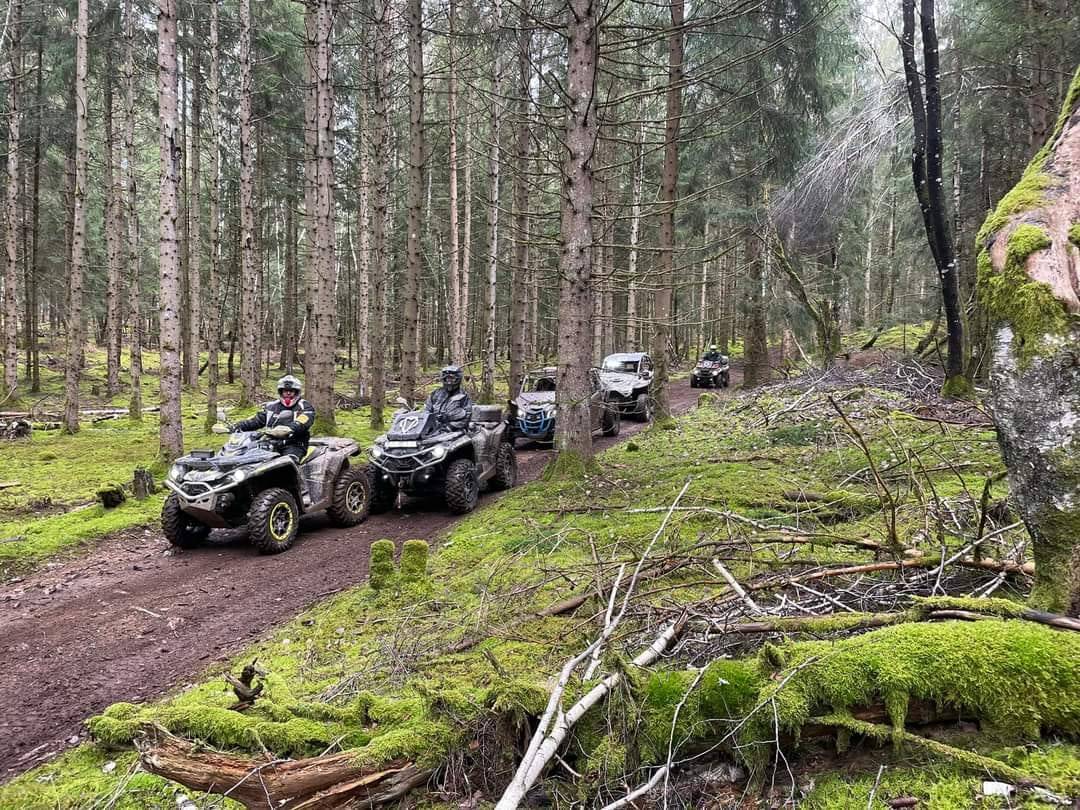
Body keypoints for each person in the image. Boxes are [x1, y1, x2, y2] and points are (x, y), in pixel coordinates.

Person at [235, 374, 316, 461]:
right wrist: (237, 426)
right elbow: (257, 421)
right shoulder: (271, 406)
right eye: (285, 391)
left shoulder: (305, 406)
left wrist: (289, 428)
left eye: (291, 391)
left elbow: (304, 421)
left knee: (287, 463)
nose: (288, 393)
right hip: (269, 443)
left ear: (296, 392)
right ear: (281, 392)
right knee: (247, 458)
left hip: (294, 444)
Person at [425, 365, 473, 431]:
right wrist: (429, 425)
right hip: (434, 429)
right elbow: (426, 411)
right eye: (447, 378)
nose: (449, 381)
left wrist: (451, 426)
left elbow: (468, 415)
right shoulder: (435, 394)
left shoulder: (464, 396)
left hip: (455, 430)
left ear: (458, 379)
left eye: (452, 378)